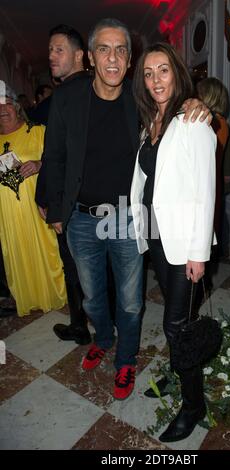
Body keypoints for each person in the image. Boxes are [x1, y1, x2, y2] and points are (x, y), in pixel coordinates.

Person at [42, 18, 211, 401]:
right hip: (82, 217)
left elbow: (178, 112)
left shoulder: (140, 101)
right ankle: (102, 338)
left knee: (132, 300)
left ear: (129, 58)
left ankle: (127, 360)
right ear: (90, 57)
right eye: (104, 48)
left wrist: (196, 102)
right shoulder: (68, 98)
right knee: (91, 297)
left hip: (126, 216)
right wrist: (55, 209)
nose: (113, 58)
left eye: (121, 50)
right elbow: (54, 155)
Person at [131, 43, 216, 442]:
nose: (155, 81)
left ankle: (194, 404)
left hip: (183, 243)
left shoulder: (192, 118)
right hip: (158, 237)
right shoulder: (152, 119)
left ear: (177, 72)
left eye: (163, 71)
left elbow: (205, 190)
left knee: (176, 326)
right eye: (148, 74)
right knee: (174, 319)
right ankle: (176, 374)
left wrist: (199, 254)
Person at [35, 24, 91, 345]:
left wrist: (50, 202)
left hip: (69, 203)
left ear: (79, 55)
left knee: (73, 267)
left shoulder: (66, 94)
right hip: (98, 201)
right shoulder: (101, 88)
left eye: (59, 50)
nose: (51, 56)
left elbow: (55, 155)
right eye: (50, 51)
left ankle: (79, 326)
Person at [0, 85, 66, 316]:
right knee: (16, 255)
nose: (2, 109)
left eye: (7, 103)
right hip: (7, 214)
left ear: (17, 108)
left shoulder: (37, 131)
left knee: (45, 251)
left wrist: (39, 165)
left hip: (36, 207)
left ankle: (53, 295)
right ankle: (27, 298)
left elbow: (60, 161)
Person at [197, 77, 229, 249]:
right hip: (211, 180)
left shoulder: (216, 123)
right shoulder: (218, 121)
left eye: (199, 93)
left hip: (208, 182)